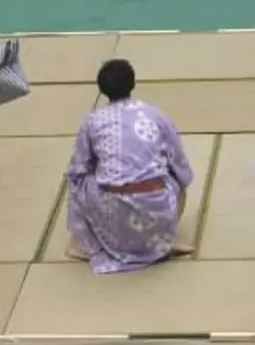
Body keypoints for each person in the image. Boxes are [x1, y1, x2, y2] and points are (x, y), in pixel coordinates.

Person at [65, 58, 195, 272]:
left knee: (78, 180)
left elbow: (79, 168)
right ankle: (162, 241)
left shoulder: (92, 121)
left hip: (111, 208)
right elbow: (180, 165)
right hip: (155, 202)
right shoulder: (154, 114)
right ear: (133, 83)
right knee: (177, 178)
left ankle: (86, 244)